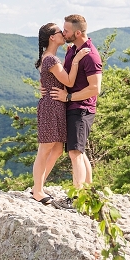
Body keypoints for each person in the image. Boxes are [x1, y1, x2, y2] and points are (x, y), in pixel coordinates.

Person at [31, 22, 90, 204]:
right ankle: (37, 190)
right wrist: (78, 59)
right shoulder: (51, 59)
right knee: (45, 149)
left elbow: (47, 81)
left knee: (56, 149)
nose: (63, 34)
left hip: (56, 106)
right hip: (51, 107)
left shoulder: (49, 58)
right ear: (52, 37)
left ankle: (37, 185)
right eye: (59, 32)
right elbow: (70, 81)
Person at [46, 14, 102, 191]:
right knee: (78, 150)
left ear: (77, 33)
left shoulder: (91, 56)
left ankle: (78, 196)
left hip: (82, 108)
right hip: (71, 107)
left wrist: (68, 97)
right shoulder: (72, 50)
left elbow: (95, 88)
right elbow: (66, 77)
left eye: (67, 30)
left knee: (75, 152)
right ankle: (88, 191)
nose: (63, 32)